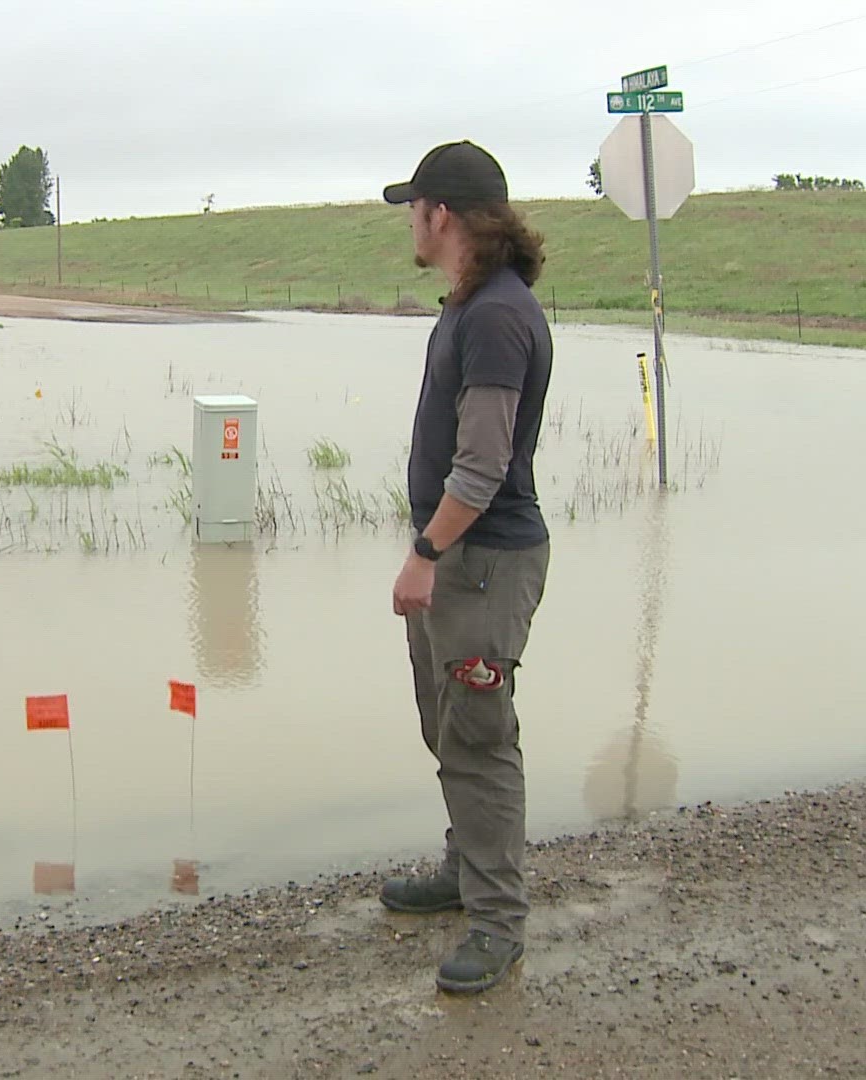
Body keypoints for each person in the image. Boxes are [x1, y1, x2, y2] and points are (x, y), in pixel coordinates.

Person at [377, 140, 554, 994]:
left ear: (440, 214)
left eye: (413, 207)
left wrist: (424, 554)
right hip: (458, 557)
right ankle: (464, 871)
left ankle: (497, 922)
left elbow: (481, 470)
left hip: (480, 560)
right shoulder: (475, 302)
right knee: (445, 726)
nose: (409, 221)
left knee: (479, 737)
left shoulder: (494, 316)